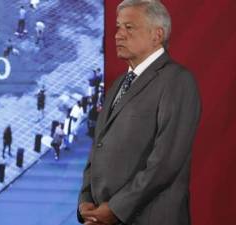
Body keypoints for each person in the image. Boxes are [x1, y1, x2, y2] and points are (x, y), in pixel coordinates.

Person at [77, 1, 201, 225]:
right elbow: (99, 147)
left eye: (129, 27)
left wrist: (115, 210)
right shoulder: (118, 85)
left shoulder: (177, 81)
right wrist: (86, 200)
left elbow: (165, 163)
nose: (118, 35)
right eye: (117, 27)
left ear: (157, 34)